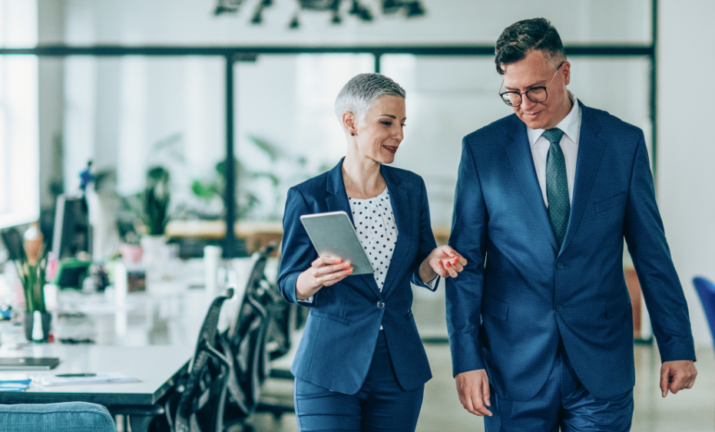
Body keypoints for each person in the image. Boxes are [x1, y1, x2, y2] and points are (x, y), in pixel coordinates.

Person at [446, 18, 697, 431]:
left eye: (535, 89)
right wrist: (466, 358)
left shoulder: (622, 142)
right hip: (512, 365)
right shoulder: (482, 150)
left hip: (601, 364)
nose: (524, 104)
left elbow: (651, 251)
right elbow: (466, 264)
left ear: (564, 72)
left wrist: (677, 344)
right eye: (511, 94)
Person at [278, 73, 466, 432]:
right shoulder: (309, 196)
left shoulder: (410, 188)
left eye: (402, 123)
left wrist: (435, 262)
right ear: (350, 122)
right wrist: (311, 279)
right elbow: (288, 282)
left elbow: (419, 266)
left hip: (398, 367)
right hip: (329, 368)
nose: (399, 134)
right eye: (387, 122)